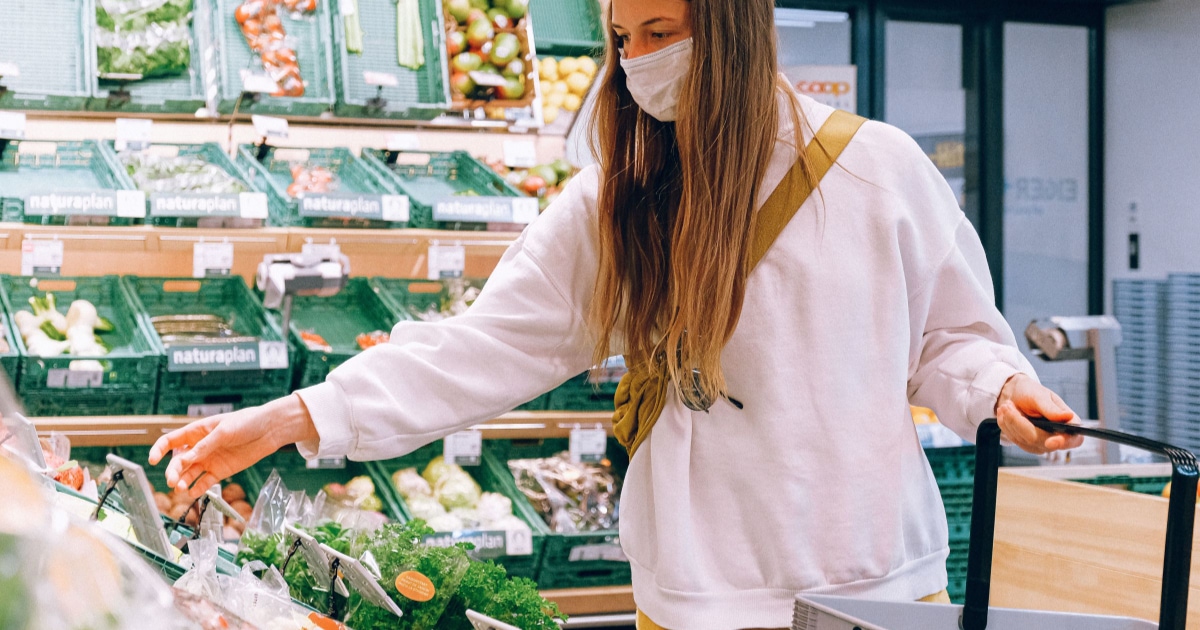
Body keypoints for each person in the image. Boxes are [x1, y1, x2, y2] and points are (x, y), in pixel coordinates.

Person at [150, 0, 1083, 628]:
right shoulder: (619, 200)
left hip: (873, 575)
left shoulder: (878, 169)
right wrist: (290, 417)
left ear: (730, 27)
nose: (637, 60)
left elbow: (951, 336)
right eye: (621, 38)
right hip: (699, 587)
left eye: (659, 29)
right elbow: (483, 347)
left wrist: (998, 390)